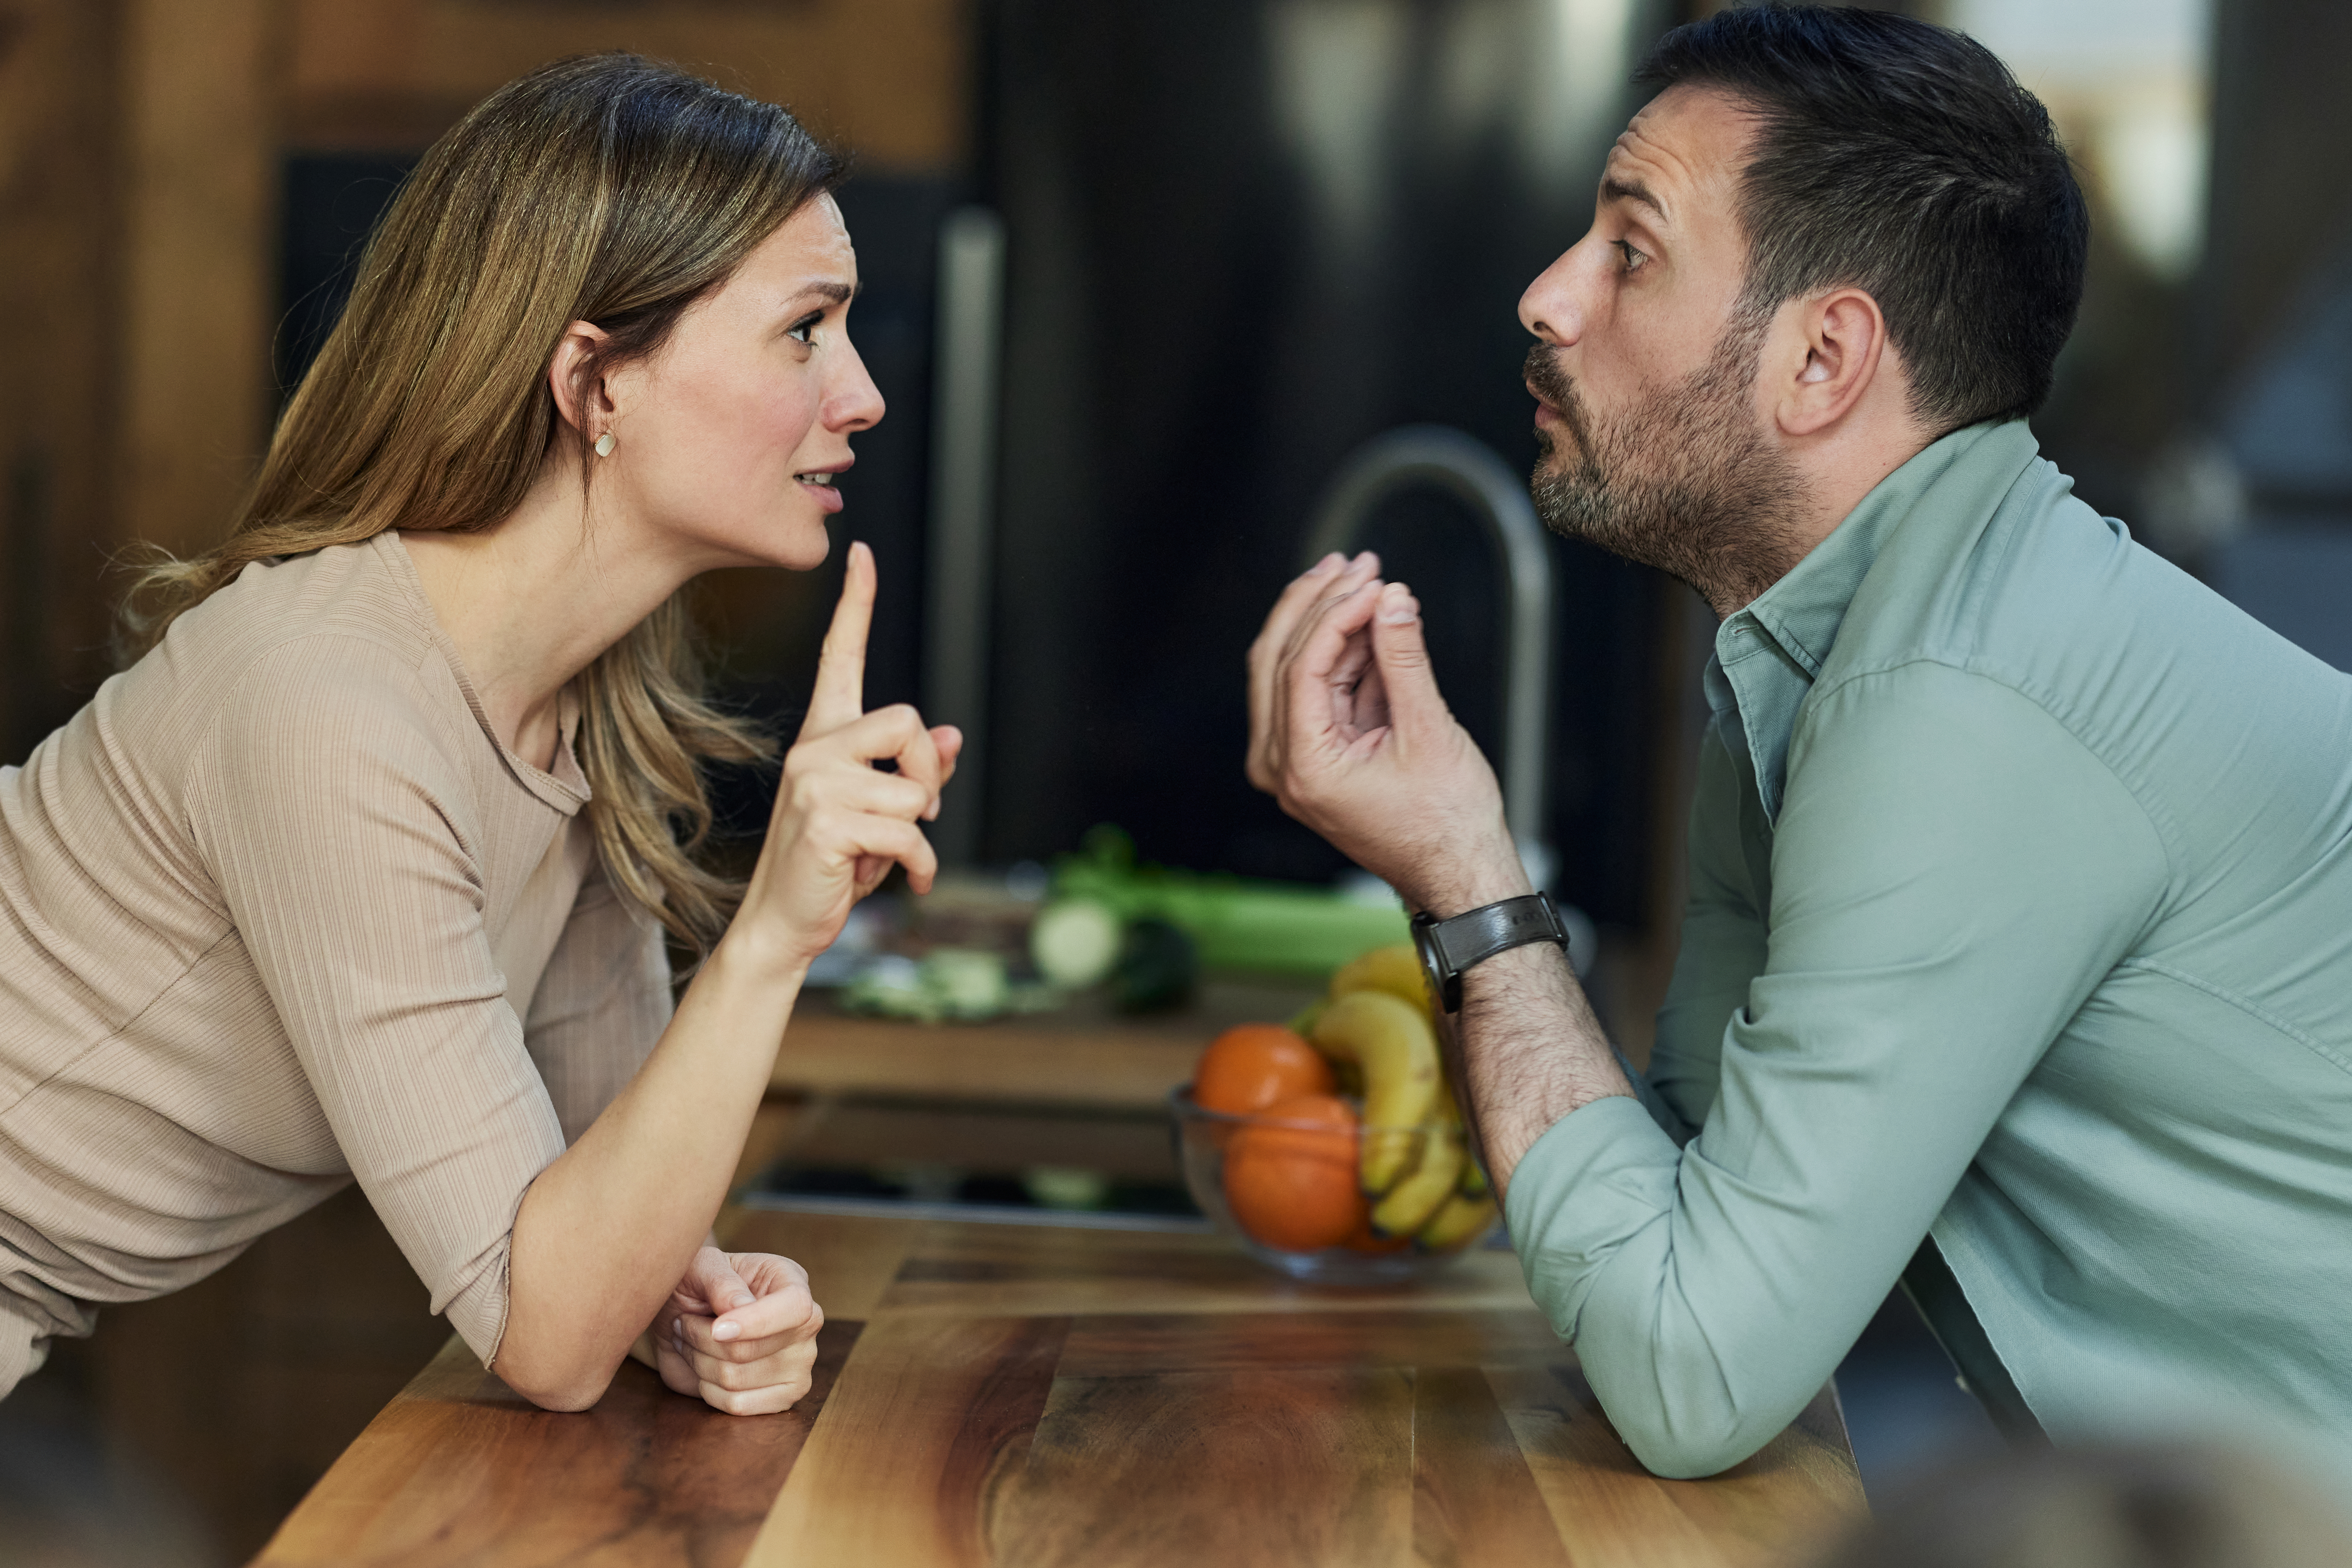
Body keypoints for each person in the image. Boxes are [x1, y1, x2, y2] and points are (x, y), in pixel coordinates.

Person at [1248, 4, 2352, 1477]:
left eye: (1628, 251)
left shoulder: (1957, 697)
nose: (1545, 295)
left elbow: (1693, 1374)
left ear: (1823, 358)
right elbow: (1686, 1203)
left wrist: (1466, 875)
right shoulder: (1821, 646)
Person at [0, 55, 956, 1415]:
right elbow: (547, 1333)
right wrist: (773, 936)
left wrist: (703, 1304)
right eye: (805, 330)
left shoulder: (574, 726)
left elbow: (586, 1231)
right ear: (596, 382)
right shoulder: (328, 707)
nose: (859, 394)